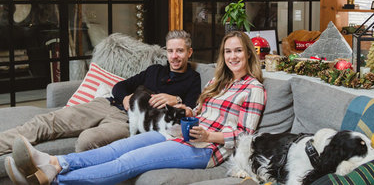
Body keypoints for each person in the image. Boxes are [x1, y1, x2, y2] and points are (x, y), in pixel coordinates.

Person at [6, 31, 267, 185]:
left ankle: (53, 178)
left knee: (128, 161)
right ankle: (54, 162)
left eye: (238, 51)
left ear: (248, 54)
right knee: (116, 148)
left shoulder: (253, 89)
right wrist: (188, 112)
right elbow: (198, 112)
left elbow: (245, 135)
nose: (233, 56)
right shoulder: (217, 82)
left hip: (207, 149)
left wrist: (208, 134)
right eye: (228, 51)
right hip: (179, 133)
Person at [0, 30, 201, 156]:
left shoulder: (193, 79)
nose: (174, 56)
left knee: (88, 140)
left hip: (130, 122)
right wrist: (124, 98)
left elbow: (191, 111)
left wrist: (177, 99)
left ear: (189, 52)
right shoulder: (154, 70)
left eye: (180, 51)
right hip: (107, 105)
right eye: (170, 51)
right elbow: (119, 86)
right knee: (46, 121)